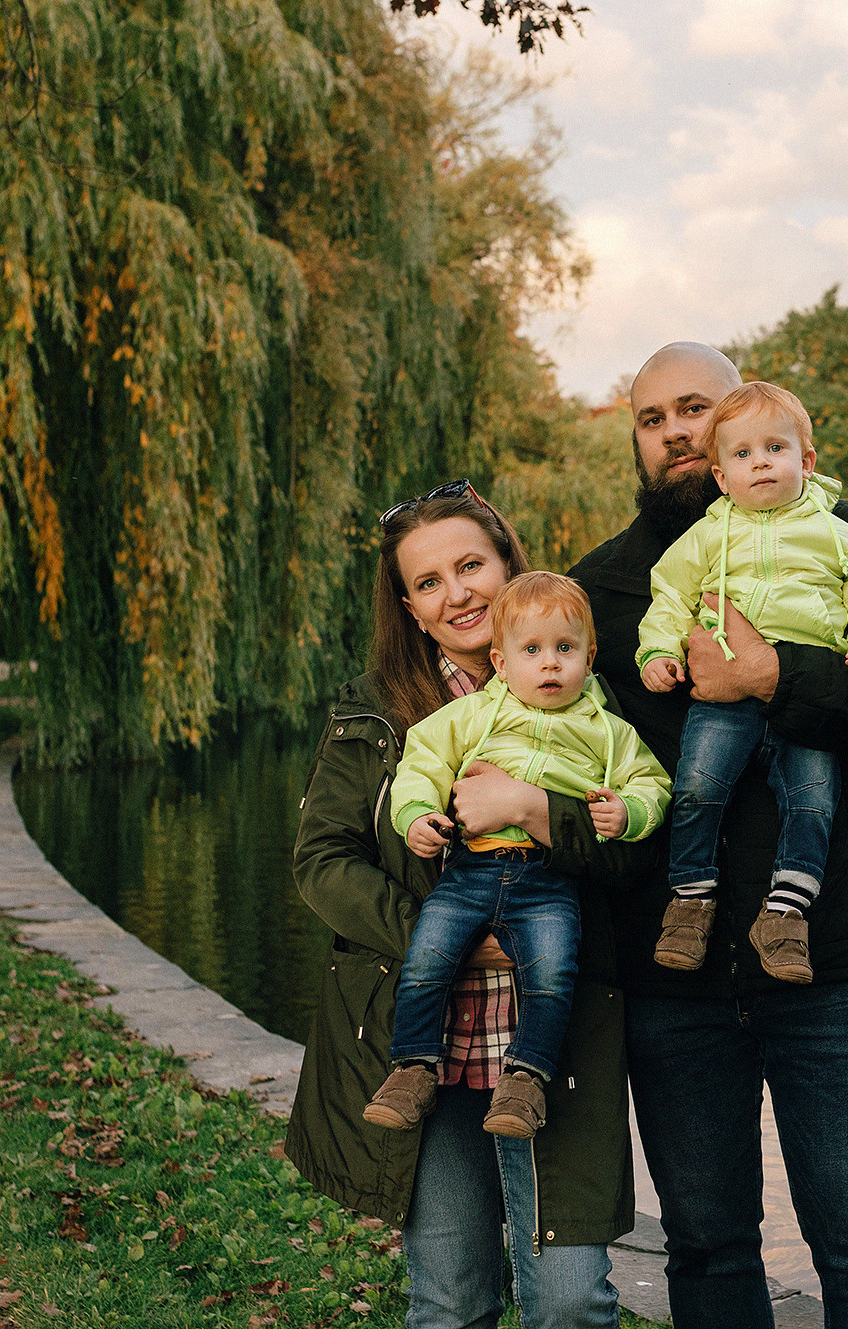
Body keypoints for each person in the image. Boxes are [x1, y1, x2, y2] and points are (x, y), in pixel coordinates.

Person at [569, 342, 848, 1328]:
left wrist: (778, 676)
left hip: (833, 959)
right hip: (673, 981)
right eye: (651, 420)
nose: (674, 433)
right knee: (705, 1248)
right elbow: (563, 751)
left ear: (742, 413)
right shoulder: (604, 589)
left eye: (693, 408)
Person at [284, 487, 642, 1329]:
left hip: (555, 1039)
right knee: (450, 1298)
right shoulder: (376, 711)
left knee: (571, 1301)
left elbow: (636, 850)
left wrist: (534, 807)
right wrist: (444, 941)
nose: (458, 593)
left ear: (509, 562)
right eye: (430, 582)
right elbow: (323, 862)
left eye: (471, 564)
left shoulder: (587, 698)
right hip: (428, 1039)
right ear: (410, 608)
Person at [365, 572, 669, 1139]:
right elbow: (423, 760)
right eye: (532, 651)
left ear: (589, 658)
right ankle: (412, 1067)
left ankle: (527, 1078)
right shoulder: (476, 715)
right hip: (472, 868)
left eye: (565, 649)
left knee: (552, 971)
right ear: (501, 664)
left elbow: (651, 783)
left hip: (548, 877)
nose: (550, 664)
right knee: (429, 955)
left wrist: (629, 811)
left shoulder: (607, 730)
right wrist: (417, 815)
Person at [636, 381, 848, 984]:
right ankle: (691, 898)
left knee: (813, 798)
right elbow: (670, 595)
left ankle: (786, 913)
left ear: (805, 462)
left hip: (805, 701)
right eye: (742, 454)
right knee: (696, 785)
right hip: (722, 696)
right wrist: (657, 651)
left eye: (775, 449)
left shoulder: (836, 532)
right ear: (721, 477)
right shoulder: (708, 535)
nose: (760, 463)